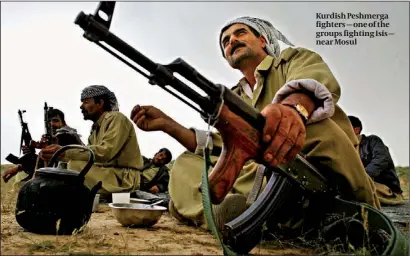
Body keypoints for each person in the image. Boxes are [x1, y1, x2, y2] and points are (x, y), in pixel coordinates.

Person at [130, 16, 380, 230]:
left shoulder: (291, 60)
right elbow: (214, 144)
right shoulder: (233, 97)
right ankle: (233, 212)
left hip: (311, 163)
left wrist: (291, 109)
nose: (232, 41)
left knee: (313, 127)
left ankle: (358, 216)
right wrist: (166, 124)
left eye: (240, 33)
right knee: (187, 162)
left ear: (262, 41)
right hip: (259, 174)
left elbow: (315, 80)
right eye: (225, 41)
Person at [39, 85, 144, 199]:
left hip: (123, 178)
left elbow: (105, 153)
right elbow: (90, 156)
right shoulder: (95, 129)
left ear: (100, 103)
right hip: (108, 173)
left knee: (74, 166)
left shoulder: (117, 118)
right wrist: (59, 155)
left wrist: (65, 152)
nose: (81, 106)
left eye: (86, 102)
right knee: (64, 166)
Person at [2, 108, 82, 184]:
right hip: (59, 174)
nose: (52, 124)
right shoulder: (58, 136)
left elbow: (55, 163)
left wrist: (19, 167)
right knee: (20, 177)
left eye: (55, 121)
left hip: (68, 176)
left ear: (63, 122)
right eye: (49, 122)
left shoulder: (66, 135)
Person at [348, 115, 404, 205]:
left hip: (384, 189)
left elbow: (381, 159)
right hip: (360, 186)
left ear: (356, 130)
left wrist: (361, 178)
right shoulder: (346, 149)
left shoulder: (372, 141)